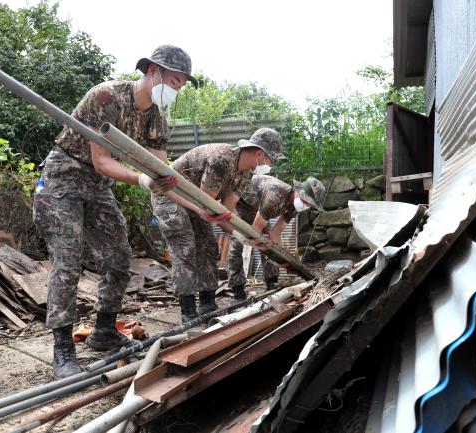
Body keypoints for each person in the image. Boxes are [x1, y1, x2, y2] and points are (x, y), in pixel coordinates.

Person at [33, 45, 197, 378]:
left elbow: (160, 171)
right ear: (153, 72)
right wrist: (142, 178)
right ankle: (63, 348)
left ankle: (104, 331)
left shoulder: (156, 119)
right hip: (64, 176)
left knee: (120, 257)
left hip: (98, 186)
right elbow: (102, 160)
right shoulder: (106, 97)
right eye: (175, 81)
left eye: (181, 85)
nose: (176, 89)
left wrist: (190, 201)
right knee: (67, 258)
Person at [153, 128, 286, 323]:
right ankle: (188, 310)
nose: (269, 166)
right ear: (259, 153)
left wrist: (244, 237)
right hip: (169, 195)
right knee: (186, 247)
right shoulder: (222, 159)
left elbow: (226, 210)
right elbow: (208, 204)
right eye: (270, 161)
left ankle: (207, 304)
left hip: (198, 203)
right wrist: (230, 224)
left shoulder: (246, 174)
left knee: (209, 246)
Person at [227, 175, 325, 299]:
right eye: (305, 200)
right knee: (238, 242)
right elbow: (255, 231)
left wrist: (283, 259)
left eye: (310, 204)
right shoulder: (275, 196)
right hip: (241, 203)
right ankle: (237, 290)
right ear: (299, 192)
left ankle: (272, 283)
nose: (307, 205)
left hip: (259, 207)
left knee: (270, 245)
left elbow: (276, 232)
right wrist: (266, 247)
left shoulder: (295, 206)